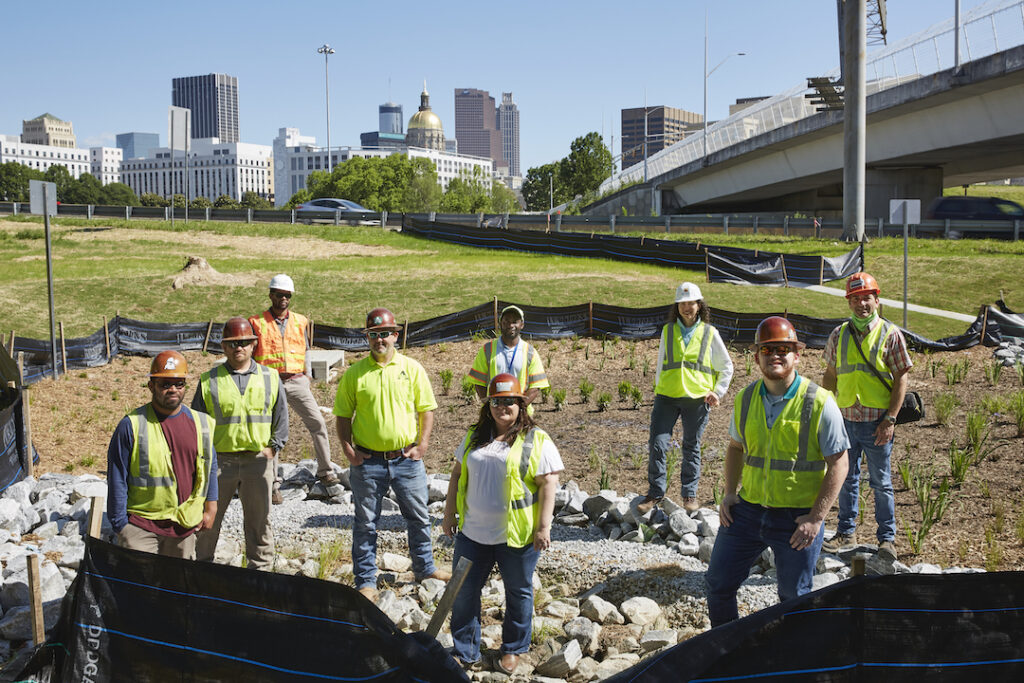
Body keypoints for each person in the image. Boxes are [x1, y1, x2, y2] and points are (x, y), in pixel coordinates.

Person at [705, 317, 849, 627]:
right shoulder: (746, 399)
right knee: (718, 584)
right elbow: (735, 448)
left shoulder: (819, 402)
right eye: (768, 349)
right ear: (757, 357)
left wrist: (816, 518)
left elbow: (840, 463)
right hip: (748, 511)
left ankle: (788, 664)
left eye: (784, 349)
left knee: (794, 598)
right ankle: (726, 653)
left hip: (797, 520)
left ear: (798, 354)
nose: (776, 355)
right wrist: (729, 493)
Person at [442, 374, 563, 674]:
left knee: (518, 592)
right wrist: (448, 514)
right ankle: (465, 650)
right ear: (489, 405)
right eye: (497, 401)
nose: (503, 407)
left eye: (510, 401)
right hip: (472, 533)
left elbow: (549, 484)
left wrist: (543, 527)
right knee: (465, 592)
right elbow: (457, 475)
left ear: (522, 405)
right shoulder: (474, 435)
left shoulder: (537, 439)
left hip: (516, 537)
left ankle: (513, 649)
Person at [333, 307, 451, 601]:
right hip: (367, 461)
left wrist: (422, 445)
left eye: (384, 333)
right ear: (368, 338)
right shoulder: (356, 374)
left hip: (405, 460)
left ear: (395, 335)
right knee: (366, 523)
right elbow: (343, 415)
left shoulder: (411, 369)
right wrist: (347, 448)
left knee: (419, 517)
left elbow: (426, 409)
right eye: (373, 335)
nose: (379, 340)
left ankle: (425, 568)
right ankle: (365, 580)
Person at [821, 272, 912, 560]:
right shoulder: (838, 335)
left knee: (881, 482)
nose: (862, 304)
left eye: (867, 298)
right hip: (846, 419)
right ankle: (846, 532)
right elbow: (830, 375)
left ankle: (887, 539)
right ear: (849, 302)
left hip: (877, 423)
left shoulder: (890, 333)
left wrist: (891, 419)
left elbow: (901, 379)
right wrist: (827, 410)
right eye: (856, 299)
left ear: (877, 300)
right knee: (846, 479)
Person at [193, 318, 288, 570]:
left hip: (257, 462)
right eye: (233, 343)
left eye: (245, 343)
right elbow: (196, 423)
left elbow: (281, 416)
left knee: (259, 522)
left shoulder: (270, 377)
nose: (239, 348)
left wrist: (273, 447)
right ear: (224, 347)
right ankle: (202, 571)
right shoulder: (208, 380)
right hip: (218, 463)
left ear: (254, 345)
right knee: (207, 520)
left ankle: (260, 574)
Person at [106, 350, 218, 559]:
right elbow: (116, 477)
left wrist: (211, 508)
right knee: (141, 590)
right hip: (141, 527)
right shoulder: (131, 425)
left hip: (183, 527)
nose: (173, 389)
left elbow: (209, 467)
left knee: (175, 590)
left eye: (179, 384)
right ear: (151, 386)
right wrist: (121, 525)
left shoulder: (201, 424)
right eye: (165, 384)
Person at [637, 282, 734, 515]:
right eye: (682, 303)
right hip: (667, 397)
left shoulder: (710, 333)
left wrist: (717, 392)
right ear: (677, 306)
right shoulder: (668, 331)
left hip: (697, 399)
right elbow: (661, 363)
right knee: (658, 444)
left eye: (691, 303)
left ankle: (689, 495)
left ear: (699, 305)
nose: (686, 307)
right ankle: (655, 492)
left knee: (691, 447)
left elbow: (727, 366)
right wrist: (658, 390)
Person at [249, 274, 338, 504]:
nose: (284, 299)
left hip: (297, 380)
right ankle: (272, 485)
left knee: (317, 422)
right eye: (279, 295)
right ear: (271, 295)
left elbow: (306, 350)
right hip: (269, 381)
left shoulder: (300, 321)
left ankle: (326, 471)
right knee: (271, 433)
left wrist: (307, 377)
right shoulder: (256, 322)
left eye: (288, 295)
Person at [467, 305, 549, 410]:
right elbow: (478, 382)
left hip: (522, 415)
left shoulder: (530, 352)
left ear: (522, 325)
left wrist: (520, 409)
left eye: (515, 321)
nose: (510, 325)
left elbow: (536, 386)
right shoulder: (487, 350)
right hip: (495, 413)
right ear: (500, 323)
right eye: (506, 321)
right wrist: (490, 407)